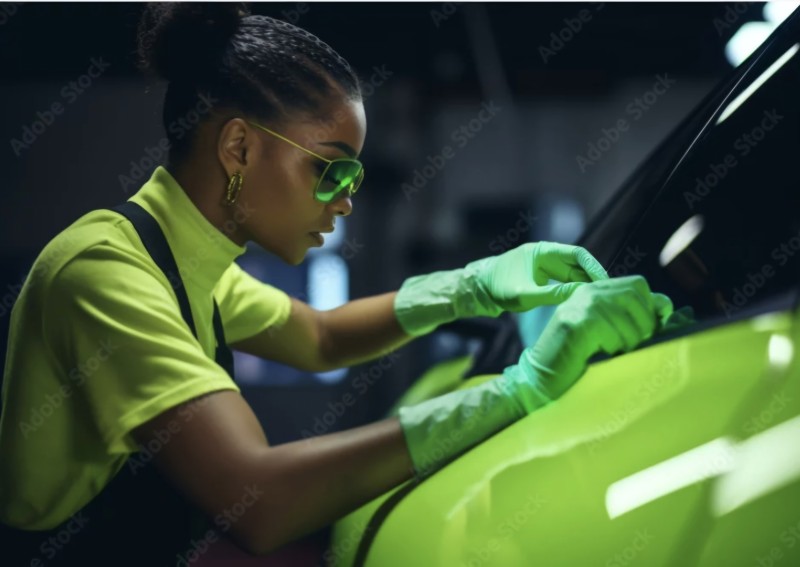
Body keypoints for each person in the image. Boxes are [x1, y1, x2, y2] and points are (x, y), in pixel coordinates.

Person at [0, 3, 674, 564]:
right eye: (332, 171)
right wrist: (518, 391)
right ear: (238, 148)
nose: (346, 200)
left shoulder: (182, 259)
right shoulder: (105, 275)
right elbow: (260, 500)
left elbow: (319, 336)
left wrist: (477, 284)